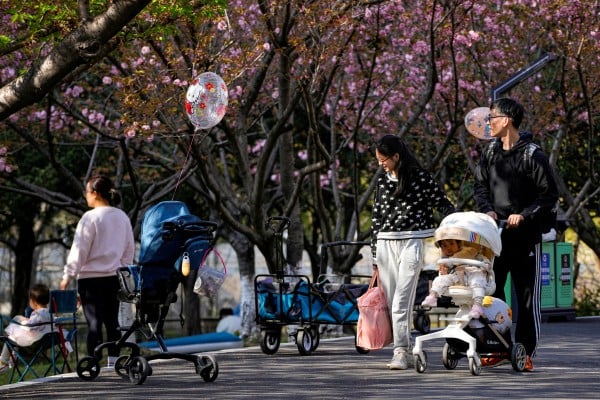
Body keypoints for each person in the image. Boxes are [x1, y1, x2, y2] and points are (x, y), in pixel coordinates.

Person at [473, 97, 558, 371]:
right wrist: (487, 210)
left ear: (506, 120)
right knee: (493, 295)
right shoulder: (489, 153)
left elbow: (549, 196)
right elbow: (480, 187)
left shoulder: (532, 155)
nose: (489, 123)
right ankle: (498, 347)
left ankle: (525, 351)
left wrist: (525, 214)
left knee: (526, 298)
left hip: (526, 239)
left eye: (492, 118)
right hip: (495, 239)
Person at [371, 134, 455, 370]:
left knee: (401, 300)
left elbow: (442, 203)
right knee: (390, 303)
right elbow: (376, 219)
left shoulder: (421, 178)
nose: (381, 164)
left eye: (383, 159)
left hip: (412, 242)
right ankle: (405, 350)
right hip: (385, 243)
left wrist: (458, 224)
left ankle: (399, 351)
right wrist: (374, 255)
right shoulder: (382, 182)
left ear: (396, 156)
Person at [59, 175, 135, 367]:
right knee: (112, 321)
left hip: (90, 280)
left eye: (86, 192)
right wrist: (123, 269)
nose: (85, 196)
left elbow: (79, 250)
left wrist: (68, 275)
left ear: (95, 193)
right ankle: (113, 361)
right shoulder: (122, 217)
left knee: (94, 323)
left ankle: (93, 361)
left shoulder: (90, 217)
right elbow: (129, 249)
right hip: (114, 278)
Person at [421, 239, 492, 318]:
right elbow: (445, 274)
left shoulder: (470, 251)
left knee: (477, 279)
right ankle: (432, 296)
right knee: (440, 279)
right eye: (444, 246)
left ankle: (477, 305)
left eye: (451, 244)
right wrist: (444, 272)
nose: (449, 248)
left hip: (472, 274)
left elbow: (483, 260)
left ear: (458, 243)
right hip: (457, 279)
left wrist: (486, 264)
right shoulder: (445, 260)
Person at [0, 284, 51, 373]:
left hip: (33, 343)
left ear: (33, 302)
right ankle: (13, 356)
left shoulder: (37, 314)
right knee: (16, 325)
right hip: (45, 341)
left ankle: (3, 362)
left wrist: (24, 322)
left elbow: (30, 329)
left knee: (10, 335)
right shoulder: (50, 313)